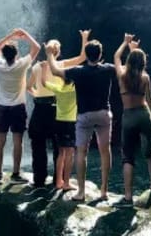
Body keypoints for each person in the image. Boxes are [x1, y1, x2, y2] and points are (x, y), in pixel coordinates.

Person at [46, 39, 116, 202]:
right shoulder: (108, 69)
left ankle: (81, 192)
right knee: (105, 151)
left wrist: (49, 54)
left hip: (84, 116)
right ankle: (104, 191)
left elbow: (55, 71)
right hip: (103, 113)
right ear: (100, 55)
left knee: (81, 152)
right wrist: (128, 48)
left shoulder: (77, 71)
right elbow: (125, 70)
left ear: (86, 55)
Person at [25, 30, 89, 187]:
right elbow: (83, 57)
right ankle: (57, 180)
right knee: (59, 146)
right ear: (58, 52)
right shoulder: (61, 66)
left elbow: (28, 87)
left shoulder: (37, 67)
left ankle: (39, 179)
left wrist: (37, 95)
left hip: (39, 108)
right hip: (57, 108)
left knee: (38, 144)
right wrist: (84, 38)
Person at [112, 34, 151, 207]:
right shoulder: (145, 77)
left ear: (129, 61)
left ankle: (128, 197)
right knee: (150, 153)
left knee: (128, 157)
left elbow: (116, 57)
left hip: (129, 116)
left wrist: (125, 43)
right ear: (143, 63)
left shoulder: (122, 75)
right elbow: (150, 100)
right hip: (144, 114)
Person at [0, 28, 40, 185]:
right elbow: (37, 47)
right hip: (18, 107)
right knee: (18, 141)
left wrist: (10, 36)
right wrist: (23, 33)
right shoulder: (22, 65)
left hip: (2, 107)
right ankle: (16, 174)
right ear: (17, 54)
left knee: (0, 140)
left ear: (3, 54)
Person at [41, 60, 76, 191]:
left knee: (61, 153)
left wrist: (44, 68)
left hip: (59, 122)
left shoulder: (59, 89)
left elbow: (44, 82)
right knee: (70, 153)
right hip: (70, 123)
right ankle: (66, 183)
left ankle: (58, 181)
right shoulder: (74, 90)